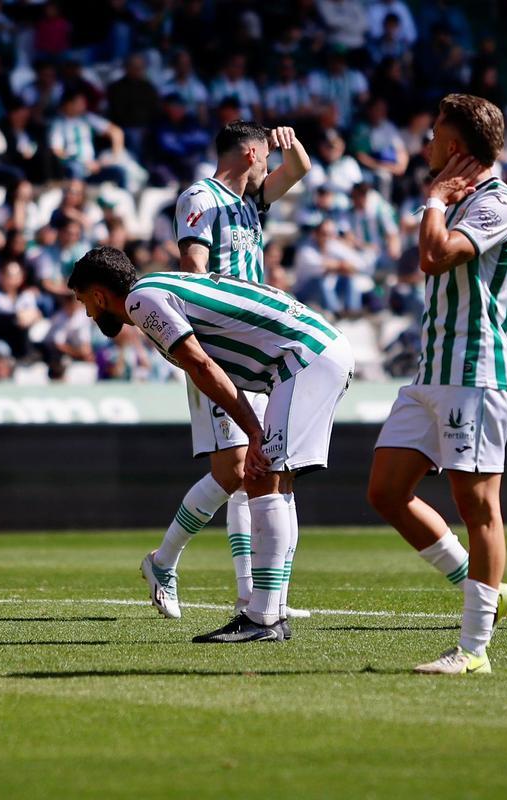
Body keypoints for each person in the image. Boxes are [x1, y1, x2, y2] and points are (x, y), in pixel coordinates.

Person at [69, 247, 353, 642]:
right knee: (274, 481)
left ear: (99, 295)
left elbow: (201, 365)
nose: (87, 313)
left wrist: (253, 432)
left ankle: (263, 618)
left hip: (303, 358)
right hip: (316, 351)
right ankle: (268, 612)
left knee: (263, 478)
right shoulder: (160, 287)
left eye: (84, 301)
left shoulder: (141, 300)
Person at [366, 93, 507, 676]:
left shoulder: (498, 203)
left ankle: (474, 650)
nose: (425, 143)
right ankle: (485, 588)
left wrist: (432, 201)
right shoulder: (460, 198)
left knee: (478, 507)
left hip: (475, 373)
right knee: (386, 490)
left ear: (455, 147)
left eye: (433, 134)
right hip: (433, 372)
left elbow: (433, 258)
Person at [141, 120, 311, 623]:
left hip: (254, 344)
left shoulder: (252, 201)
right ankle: (164, 560)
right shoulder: (201, 195)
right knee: (236, 469)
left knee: (252, 469)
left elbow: (299, 169)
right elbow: (192, 267)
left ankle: (252, 596)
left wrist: (293, 143)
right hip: (220, 341)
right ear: (252, 151)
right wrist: (212, 327)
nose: (269, 165)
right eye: (266, 155)